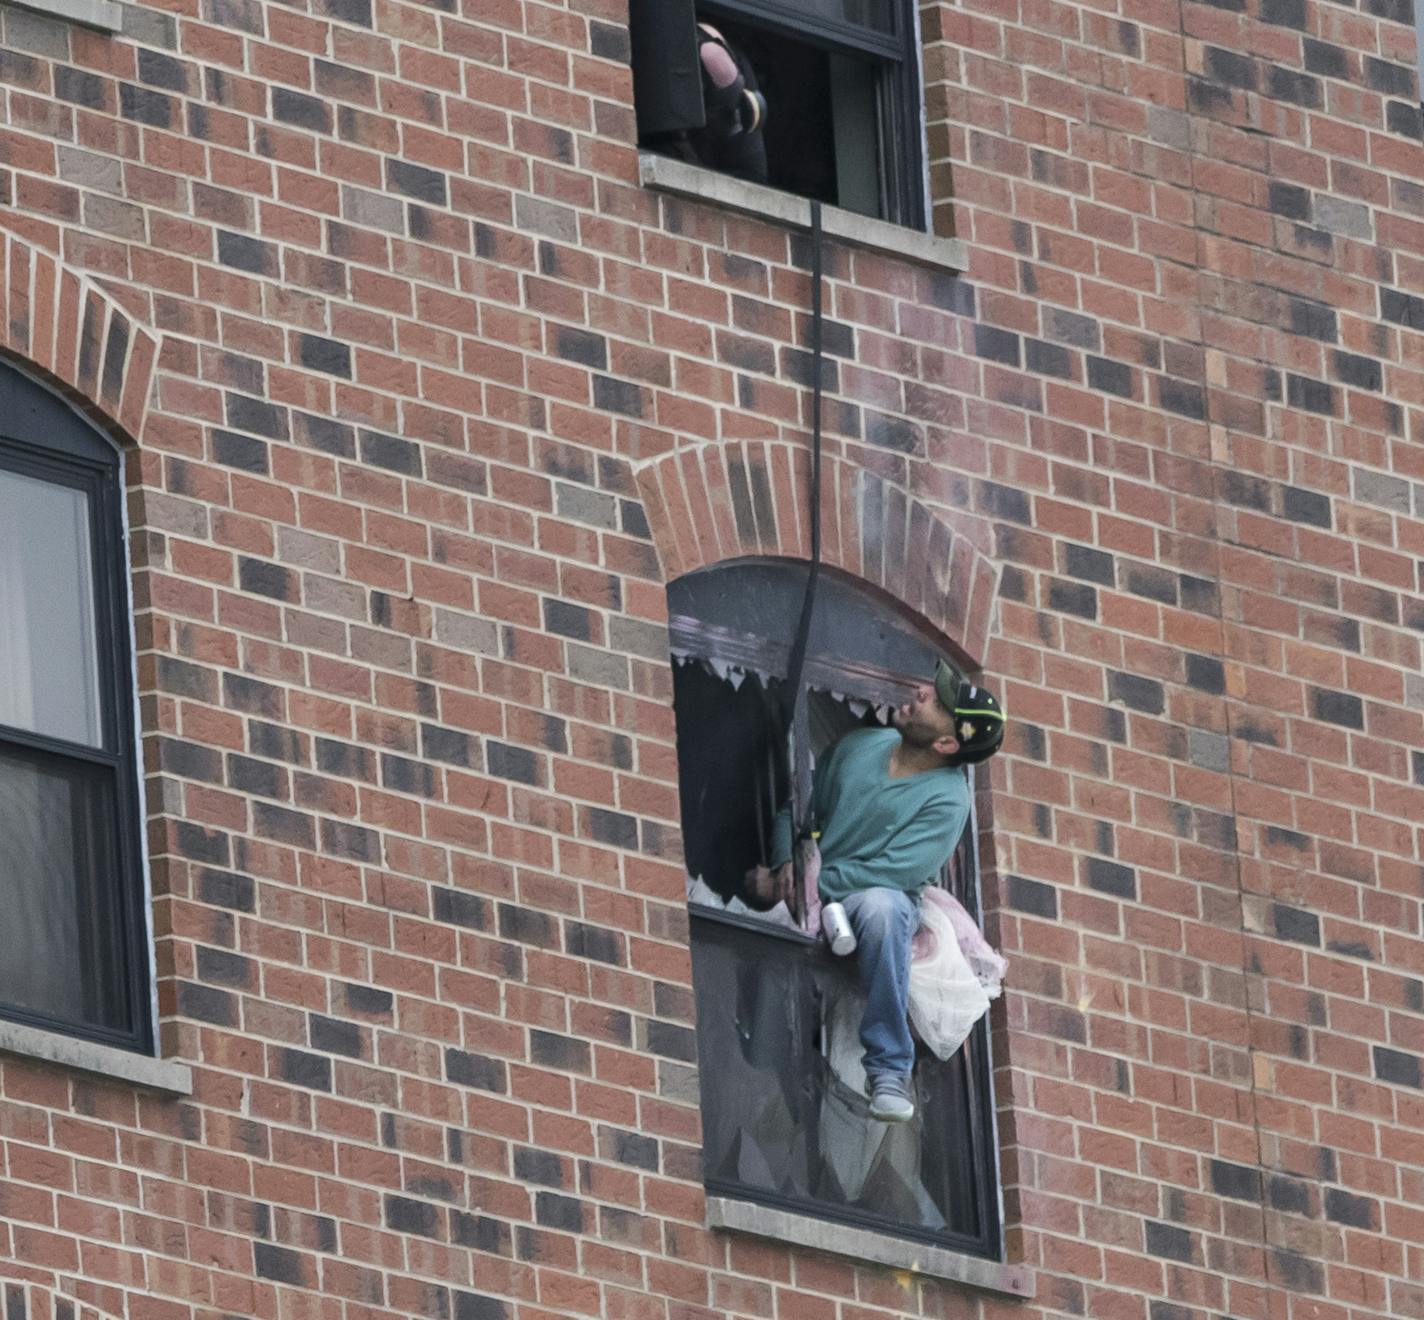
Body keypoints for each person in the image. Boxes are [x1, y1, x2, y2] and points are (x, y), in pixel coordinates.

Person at [749, 661, 1006, 1122]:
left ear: (946, 743)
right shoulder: (860, 745)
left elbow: (893, 874)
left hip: (876, 900)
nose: (923, 691)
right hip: (815, 893)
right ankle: (760, 1054)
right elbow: (800, 810)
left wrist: (801, 885)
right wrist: (784, 862)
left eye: (938, 701)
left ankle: (888, 1070)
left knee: (880, 907)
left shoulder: (949, 801)